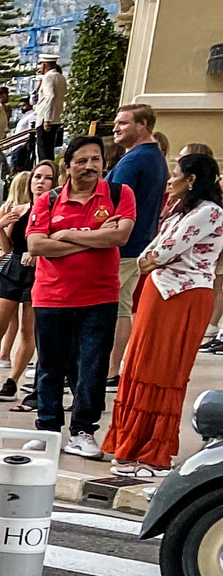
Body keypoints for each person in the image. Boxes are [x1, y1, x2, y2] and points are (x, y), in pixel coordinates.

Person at [104, 152, 223, 473]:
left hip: (183, 296)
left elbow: (164, 250)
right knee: (140, 365)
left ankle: (152, 451)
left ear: (192, 180)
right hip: (159, 292)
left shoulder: (210, 213)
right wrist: (151, 258)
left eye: (175, 173)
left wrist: (152, 258)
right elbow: (150, 252)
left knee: (163, 370)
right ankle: (130, 445)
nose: (169, 180)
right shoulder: (180, 211)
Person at [26, 133, 136, 459]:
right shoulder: (48, 200)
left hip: (99, 297)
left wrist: (67, 234)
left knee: (92, 367)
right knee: (50, 366)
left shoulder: (119, 194)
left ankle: (83, 431)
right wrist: (97, 237)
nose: (89, 167)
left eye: (95, 160)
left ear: (104, 163)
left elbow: (121, 236)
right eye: (81, 161)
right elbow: (36, 245)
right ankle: (47, 430)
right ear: (68, 166)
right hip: (51, 296)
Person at [0, 161, 54, 401]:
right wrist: (2, 229)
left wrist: (40, 254)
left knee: (28, 330)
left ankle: (13, 380)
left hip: (41, 270)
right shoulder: (21, 210)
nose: (40, 182)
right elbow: (6, 249)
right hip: (14, 265)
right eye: (37, 177)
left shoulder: (55, 213)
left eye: (47, 178)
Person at [107, 103, 168, 366]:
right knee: (121, 308)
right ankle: (109, 367)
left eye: (122, 123)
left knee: (111, 309)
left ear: (142, 124)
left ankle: (105, 369)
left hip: (121, 246)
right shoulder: (155, 156)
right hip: (138, 245)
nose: (115, 128)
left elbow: (109, 204)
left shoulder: (134, 160)